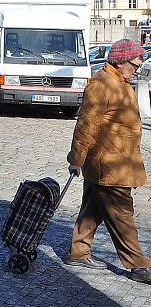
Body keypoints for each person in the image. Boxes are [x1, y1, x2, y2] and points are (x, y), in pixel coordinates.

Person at [65, 39, 151, 283]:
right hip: (110, 166)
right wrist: (76, 159)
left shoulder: (121, 83)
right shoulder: (101, 84)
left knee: (92, 208)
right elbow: (86, 126)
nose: (139, 66)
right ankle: (138, 265)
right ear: (121, 61)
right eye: (135, 62)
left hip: (116, 163)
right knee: (122, 215)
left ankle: (79, 251)